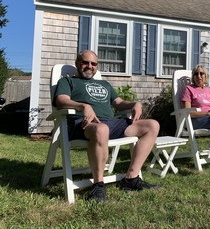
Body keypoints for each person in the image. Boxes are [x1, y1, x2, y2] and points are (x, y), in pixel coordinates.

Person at [53, 50, 160, 202]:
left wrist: (135, 104)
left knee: (152, 125)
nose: (89, 66)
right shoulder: (68, 81)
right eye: (85, 62)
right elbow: (61, 100)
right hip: (83, 124)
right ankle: (98, 184)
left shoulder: (104, 84)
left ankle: (131, 178)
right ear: (77, 63)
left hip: (111, 124)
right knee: (102, 129)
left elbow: (119, 103)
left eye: (93, 64)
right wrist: (83, 106)